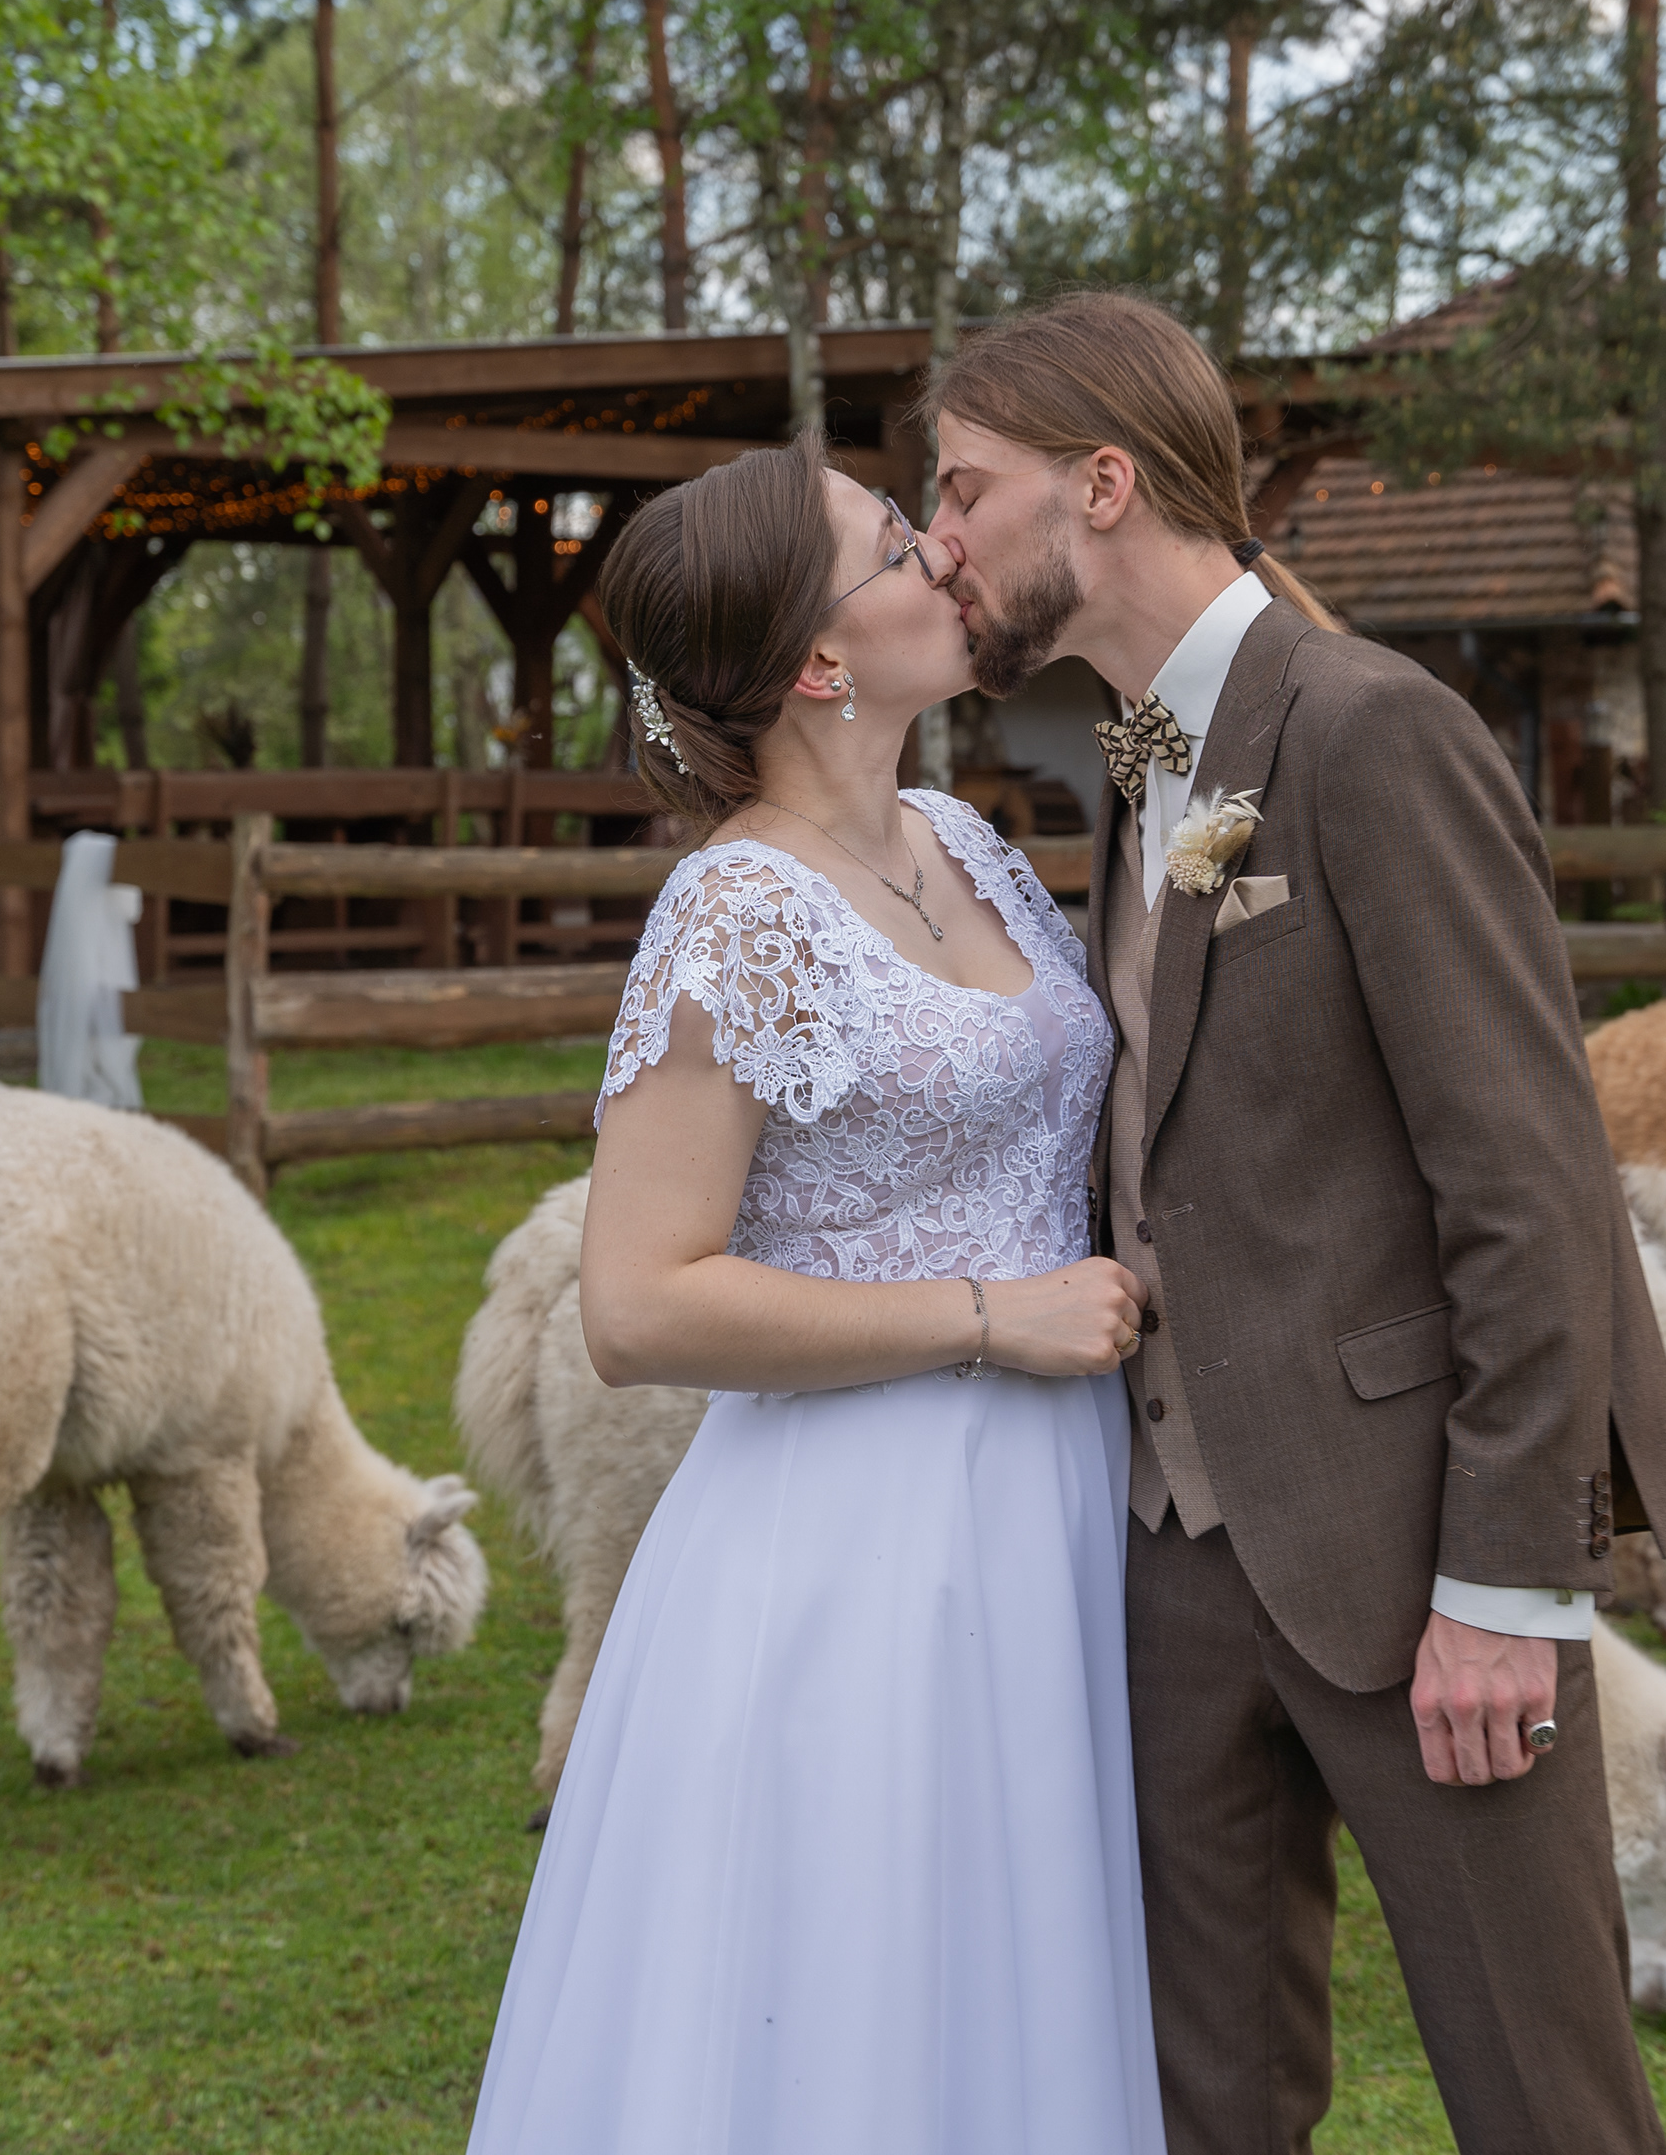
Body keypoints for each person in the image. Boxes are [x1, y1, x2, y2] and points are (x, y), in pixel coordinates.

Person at [918, 291, 1666, 2155]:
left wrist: (1505, 1588)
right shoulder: (1138, 763)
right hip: (1174, 1559)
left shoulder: (1372, 731)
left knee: (1543, 2103)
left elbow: (1529, 1185)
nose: (938, 539)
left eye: (962, 488)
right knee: (1211, 2108)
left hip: (1416, 1549)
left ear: (1101, 484)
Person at [464, 437, 1167, 2155]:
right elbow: (637, 1305)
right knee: (863, 1995)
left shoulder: (964, 839)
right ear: (817, 661)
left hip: (1055, 1511)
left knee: (1025, 1985)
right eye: (893, 542)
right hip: (858, 1547)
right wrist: (989, 1317)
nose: (944, 552)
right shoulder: (737, 915)